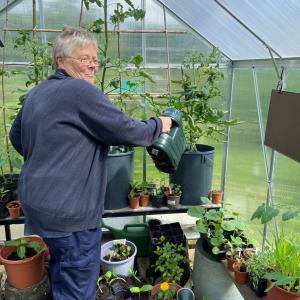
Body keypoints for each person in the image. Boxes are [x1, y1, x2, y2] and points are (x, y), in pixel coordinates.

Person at [9, 27, 172, 300]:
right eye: (84, 58)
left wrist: (50, 159)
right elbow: (127, 130)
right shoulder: (79, 91)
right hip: (70, 215)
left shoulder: (38, 93)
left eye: (95, 58)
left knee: (57, 272)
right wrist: (160, 124)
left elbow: (17, 137)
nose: (93, 64)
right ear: (61, 60)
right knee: (76, 288)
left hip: (37, 208)